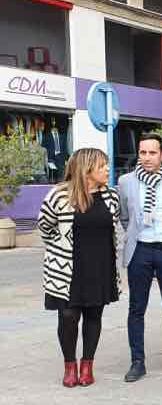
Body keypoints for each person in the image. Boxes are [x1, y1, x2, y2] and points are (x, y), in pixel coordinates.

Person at [38, 148, 120, 388]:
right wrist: (60, 248)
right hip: (67, 269)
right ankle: (69, 366)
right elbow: (45, 226)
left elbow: (113, 227)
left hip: (100, 267)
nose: (107, 170)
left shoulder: (111, 196)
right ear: (87, 170)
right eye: (102, 166)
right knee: (68, 317)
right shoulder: (59, 195)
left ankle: (87, 366)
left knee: (94, 316)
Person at [118, 133, 162, 382]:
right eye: (142, 153)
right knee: (136, 308)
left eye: (152, 153)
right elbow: (125, 216)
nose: (147, 158)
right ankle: (137, 361)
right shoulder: (126, 181)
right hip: (140, 250)